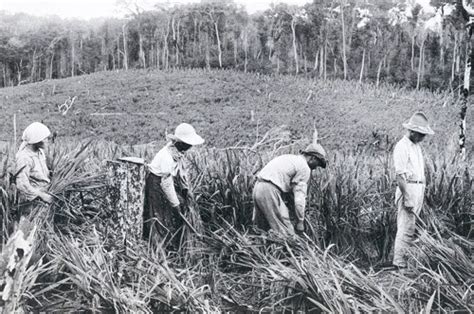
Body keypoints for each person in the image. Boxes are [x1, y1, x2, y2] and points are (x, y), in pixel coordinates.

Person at [143, 123, 204, 249]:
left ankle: (169, 244)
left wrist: (185, 190)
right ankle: (159, 248)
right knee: (159, 215)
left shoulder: (176, 152)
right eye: (188, 144)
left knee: (168, 214)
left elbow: (179, 174)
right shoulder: (167, 157)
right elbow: (166, 183)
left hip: (163, 182)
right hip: (156, 184)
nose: (190, 146)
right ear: (180, 143)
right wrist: (175, 204)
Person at [252, 139, 327, 237]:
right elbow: (299, 199)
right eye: (318, 163)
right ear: (312, 158)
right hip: (269, 190)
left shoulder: (290, 158)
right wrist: (300, 222)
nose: (316, 167)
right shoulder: (305, 167)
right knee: (285, 231)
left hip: (258, 187)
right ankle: (288, 249)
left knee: (262, 228)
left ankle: (259, 249)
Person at [392, 112, 434, 269]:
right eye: (421, 134)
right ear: (413, 132)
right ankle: (399, 264)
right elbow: (400, 175)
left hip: (417, 189)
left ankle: (406, 261)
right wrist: (408, 197)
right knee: (405, 228)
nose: (423, 137)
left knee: (412, 227)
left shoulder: (416, 147)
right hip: (408, 189)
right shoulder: (402, 147)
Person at [15, 122, 54, 217]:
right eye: (44, 138)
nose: (47, 140)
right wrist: (41, 195)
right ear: (36, 140)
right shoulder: (25, 157)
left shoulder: (40, 152)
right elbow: (22, 184)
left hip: (45, 198)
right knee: (33, 228)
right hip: (32, 203)